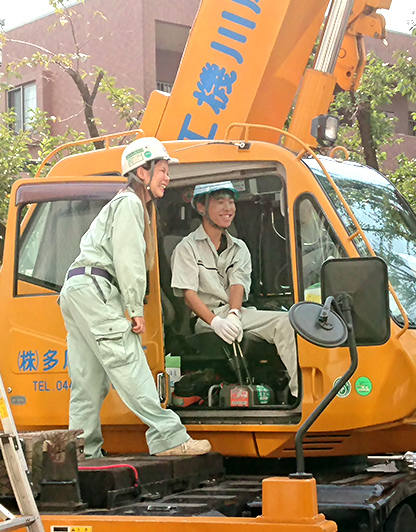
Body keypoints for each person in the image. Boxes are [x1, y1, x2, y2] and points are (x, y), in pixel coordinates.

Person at [59, 137, 211, 458]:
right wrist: (133, 307)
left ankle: (83, 453)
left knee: (88, 382)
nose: (167, 177)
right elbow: (127, 258)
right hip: (98, 288)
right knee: (128, 362)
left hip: (78, 288)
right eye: (162, 170)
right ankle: (170, 438)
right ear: (142, 171)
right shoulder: (129, 204)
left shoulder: (123, 202)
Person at [170, 181, 299, 398]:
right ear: (201, 207)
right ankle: (302, 395)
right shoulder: (186, 248)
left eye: (231, 202)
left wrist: (234, 313)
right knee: (284, 323)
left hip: (234, 314)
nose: (228, 208)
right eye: (220, 202)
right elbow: (189, 295)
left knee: (290, 319)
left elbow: (238, 283)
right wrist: (216, 322)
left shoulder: (239, 247)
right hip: (206, 320)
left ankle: (296, 394)